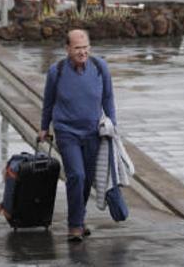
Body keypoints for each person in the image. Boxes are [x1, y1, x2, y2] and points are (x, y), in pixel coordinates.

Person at [39, 29, 116, 242]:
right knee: (76, 176)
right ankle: (74, 226)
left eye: (85, 47)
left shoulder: (100, 68)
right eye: (77, 48)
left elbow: (108, 98)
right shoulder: (57, 71)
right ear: (67, 49)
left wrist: (113, 125)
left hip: (93, 133)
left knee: (87, 179)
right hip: (67, 132)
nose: (82, 52)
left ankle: (79, 218)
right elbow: (48, 101)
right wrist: (44, 127)